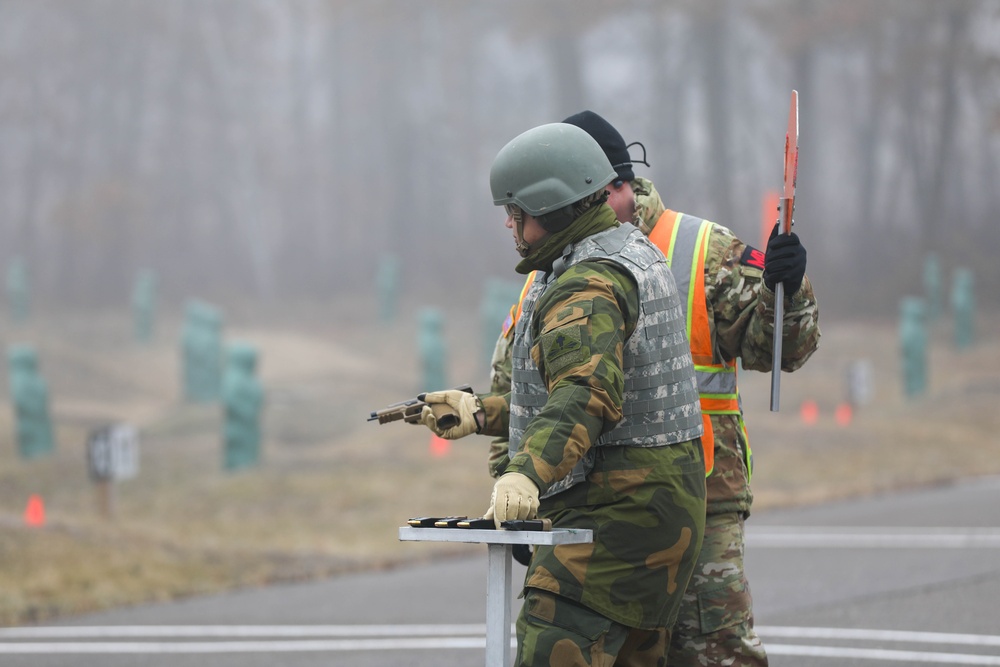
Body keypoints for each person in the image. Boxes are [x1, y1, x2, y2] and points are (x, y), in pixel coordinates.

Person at [491, 110, 821, 666]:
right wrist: (517, 490)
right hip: (585, 503)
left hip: (701, 495)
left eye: (615, 186)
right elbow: (522, 393)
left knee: (715, 652)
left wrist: (788, 286)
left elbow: (781, 347)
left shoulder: (700, 247)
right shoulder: (549, 269)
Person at [415, 121, 707, 667]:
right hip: (655, 511)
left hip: (616, 518)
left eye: (515, 212)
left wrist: (526, 472)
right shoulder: (624, 251)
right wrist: (482, 412)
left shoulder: (587, 282)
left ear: (548, 208)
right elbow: (607, 395)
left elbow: (585, 393)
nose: (509, 223)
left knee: (551, 643)